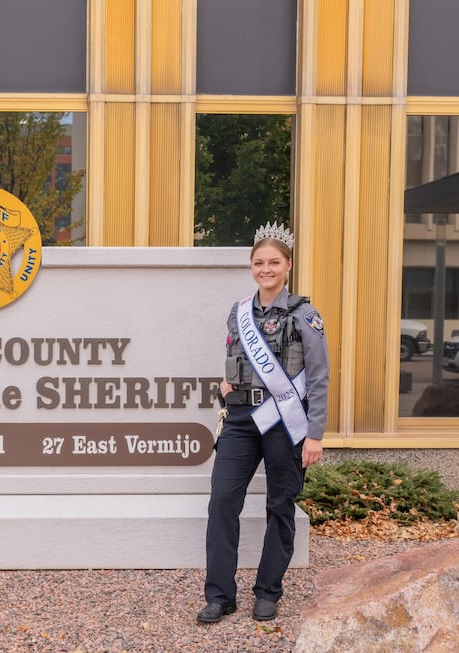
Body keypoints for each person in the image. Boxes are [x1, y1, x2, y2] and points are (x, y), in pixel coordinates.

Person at [198, 222, 328, 624]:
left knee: (280, 505)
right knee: (222, 502)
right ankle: (220, 595)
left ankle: (268, 591)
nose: (266, 268)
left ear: (287, 265)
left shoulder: (305, 315)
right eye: (259, 262)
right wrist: (226, 382)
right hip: (240, 418)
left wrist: (316, 435)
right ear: (251, 266)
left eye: (274, 262)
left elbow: (319, 377)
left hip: (285, 423)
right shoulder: (239, 313)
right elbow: (236, 359)